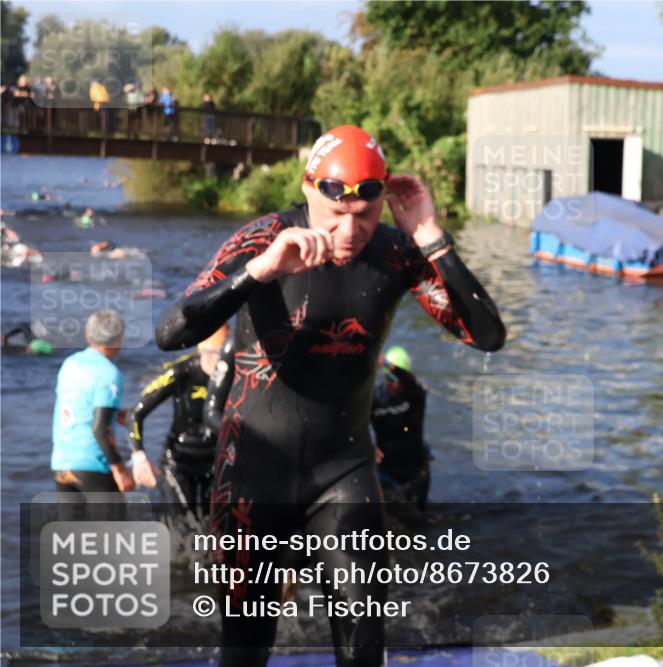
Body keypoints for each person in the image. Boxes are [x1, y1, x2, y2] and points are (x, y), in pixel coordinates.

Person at [155, 124, 505, 666]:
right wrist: (258, 271)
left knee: (363, 643)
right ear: (308, 190)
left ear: (382, 203)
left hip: (342, 471)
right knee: (245, 648)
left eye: (364, 217)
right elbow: (171, 332)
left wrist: (432, 237)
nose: (348, 231)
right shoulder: (263, 237)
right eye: (334, 214)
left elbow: (487, 335)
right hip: (251, 470)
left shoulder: (396, 252)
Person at [128, 325, 230, 526]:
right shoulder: (180, 371)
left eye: (222, 355)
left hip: (215, 458)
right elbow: (136, 412)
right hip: (179, 459)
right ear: (200, 350)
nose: (217, 362)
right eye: (211, 353)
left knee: (216, 522)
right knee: (182, 523)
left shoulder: (233, 371)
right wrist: (139, 457)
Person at [51, 310, 136, 501]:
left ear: (88, 335)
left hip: (62, 463)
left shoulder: (70, 364)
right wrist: (120, 469)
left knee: (71, 530)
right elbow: (100, 429)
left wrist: (114, 413)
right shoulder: (109, 373)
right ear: (118, 340)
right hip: (92, 465)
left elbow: (76, 405)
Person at [371, 346, 431, 509]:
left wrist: (386, 364)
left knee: (417, 521)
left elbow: (410, 380)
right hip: (386, 471)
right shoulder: (375, 398)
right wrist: (369, 446)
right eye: (389, 379)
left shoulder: (416, 394)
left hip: (416, 471)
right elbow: (357, 424)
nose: (394, 385)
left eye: (398, 380)